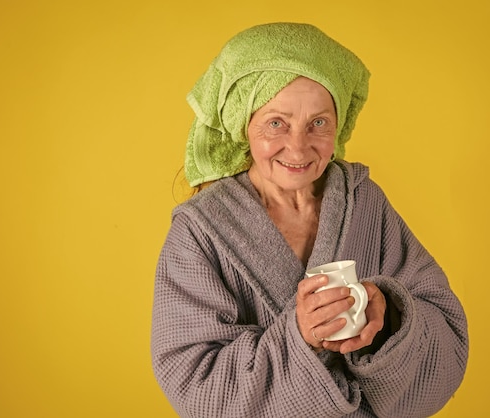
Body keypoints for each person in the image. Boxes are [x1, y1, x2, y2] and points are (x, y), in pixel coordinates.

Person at [151, 22, 468, 418]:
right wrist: (298, 337)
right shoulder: (199, 230)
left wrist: (386, 323)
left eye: (318, 123)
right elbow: (193, 381)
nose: (298, 147)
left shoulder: (363, 201)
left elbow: (445, 330)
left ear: (338, 125)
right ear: (243, 125)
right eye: (276, 123)